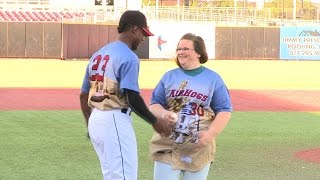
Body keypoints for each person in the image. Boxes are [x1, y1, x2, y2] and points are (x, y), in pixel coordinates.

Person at [79, 10, 171, 180]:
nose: (143, 38)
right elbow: (132, 98)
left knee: (113, 176)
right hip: (114, 119)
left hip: (96, 121)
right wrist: (155, 121)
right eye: (142, 33)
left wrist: (90, 124)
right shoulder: (129, 57)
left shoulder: (97, 54)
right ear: (134, 29)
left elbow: (83, 95)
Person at [148, 33, 232, 180]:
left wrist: (210, 134)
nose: (180, 52)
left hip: (197, 148)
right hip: (168, 144)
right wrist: (163, 114)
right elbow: (155, 104)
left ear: (199, 52)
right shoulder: (169, 76)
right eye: (179, 48)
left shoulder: (213, 79)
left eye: (185, 48)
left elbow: (224, 111)